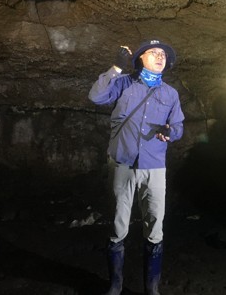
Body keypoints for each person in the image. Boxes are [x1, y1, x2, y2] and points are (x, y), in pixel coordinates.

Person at [88, 39, 184, 295]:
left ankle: (151, 289)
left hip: (154, 168)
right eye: (153, 52)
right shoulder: (123, 84)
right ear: (140, 58)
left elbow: (179, 127)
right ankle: (116, 285)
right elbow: (96, 96)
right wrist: (116, 67)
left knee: (155, 227)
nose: (160, 56)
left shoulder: (171, 94)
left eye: (163, 53)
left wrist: (170, 132)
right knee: (118, 225)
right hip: (123, 164)